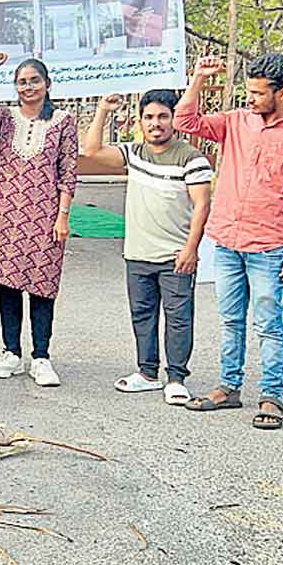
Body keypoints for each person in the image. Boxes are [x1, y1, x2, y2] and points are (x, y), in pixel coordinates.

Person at [176, 54, 283, 429]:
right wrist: (197, 77)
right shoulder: (236, 122)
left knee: (268, 323)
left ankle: (272, 395)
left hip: (270, 246)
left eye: (259, 93)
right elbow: (185, 121)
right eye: (249, 91)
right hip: (226, 239)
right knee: (230, 320)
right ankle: (229, 387)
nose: (251, 99)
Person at [82, 90, 212, 406]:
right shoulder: (135, 153)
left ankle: (177, 378)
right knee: (142, 314)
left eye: (163, 116)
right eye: (149, 117)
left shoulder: (191, 158)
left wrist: (191, 249)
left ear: (173, 120)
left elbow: (202, 205)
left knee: (178, 316)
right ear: (140, 122)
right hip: (137, 254)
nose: (156, 124)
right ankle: (147, 373)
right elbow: (92, 149)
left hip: (175, 256)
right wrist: (102, 110)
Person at [0, 52, 78, 387]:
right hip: (7, 214)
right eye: (22, 82)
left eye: (34, 81)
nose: (28, 87)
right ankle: (11, 353)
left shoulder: (63, 121)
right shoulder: (6, 117)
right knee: (9, 285)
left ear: (47, 84)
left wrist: (62, 216)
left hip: (45, 215)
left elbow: (69, 172)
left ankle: (41, 357)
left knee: (43, 287)